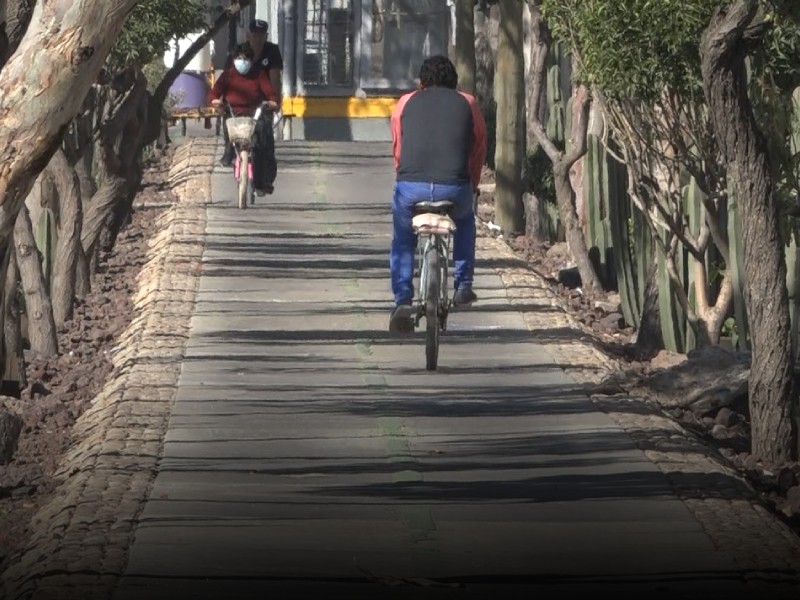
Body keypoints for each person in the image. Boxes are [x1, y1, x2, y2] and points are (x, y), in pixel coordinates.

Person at [388, 55, 487, 333]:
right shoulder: (467, 102)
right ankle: (464, 285)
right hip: (454, 186)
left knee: (403, 237)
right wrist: (473, 185)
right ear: (455, 83)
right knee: (466, 220)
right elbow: (478, 147)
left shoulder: (406, 102)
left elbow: (398, 145)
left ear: (421, 84)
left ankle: (402, 298)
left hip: (411, 186)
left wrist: (404, 175)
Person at [210, 42, 280, 195]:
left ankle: (262, 183)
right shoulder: (228, 75)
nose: (242, 61)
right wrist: (217, 103)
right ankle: (228, 154)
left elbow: (270, 93)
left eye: (246, 58)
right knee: (229, 130)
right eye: (239, 58)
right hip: (233, 115)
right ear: (234, 59)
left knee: (263, 145)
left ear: (251, 60)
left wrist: (272, 102)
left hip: (253, 117)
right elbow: (214, 93)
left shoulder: (259, 74)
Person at [220, 19, 284, 169]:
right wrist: (221, 101)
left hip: (263, 99)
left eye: (261, 36)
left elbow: (275, 77)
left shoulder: (271, 51)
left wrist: (276, 102)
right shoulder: (238, 51)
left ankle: (266, 169)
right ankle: (229, 150)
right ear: (248, 35)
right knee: (228, 119)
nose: (257, 39)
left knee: (265, 133)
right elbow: (225, 78)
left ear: (266, 37)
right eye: (254, 35)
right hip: (239, 99)